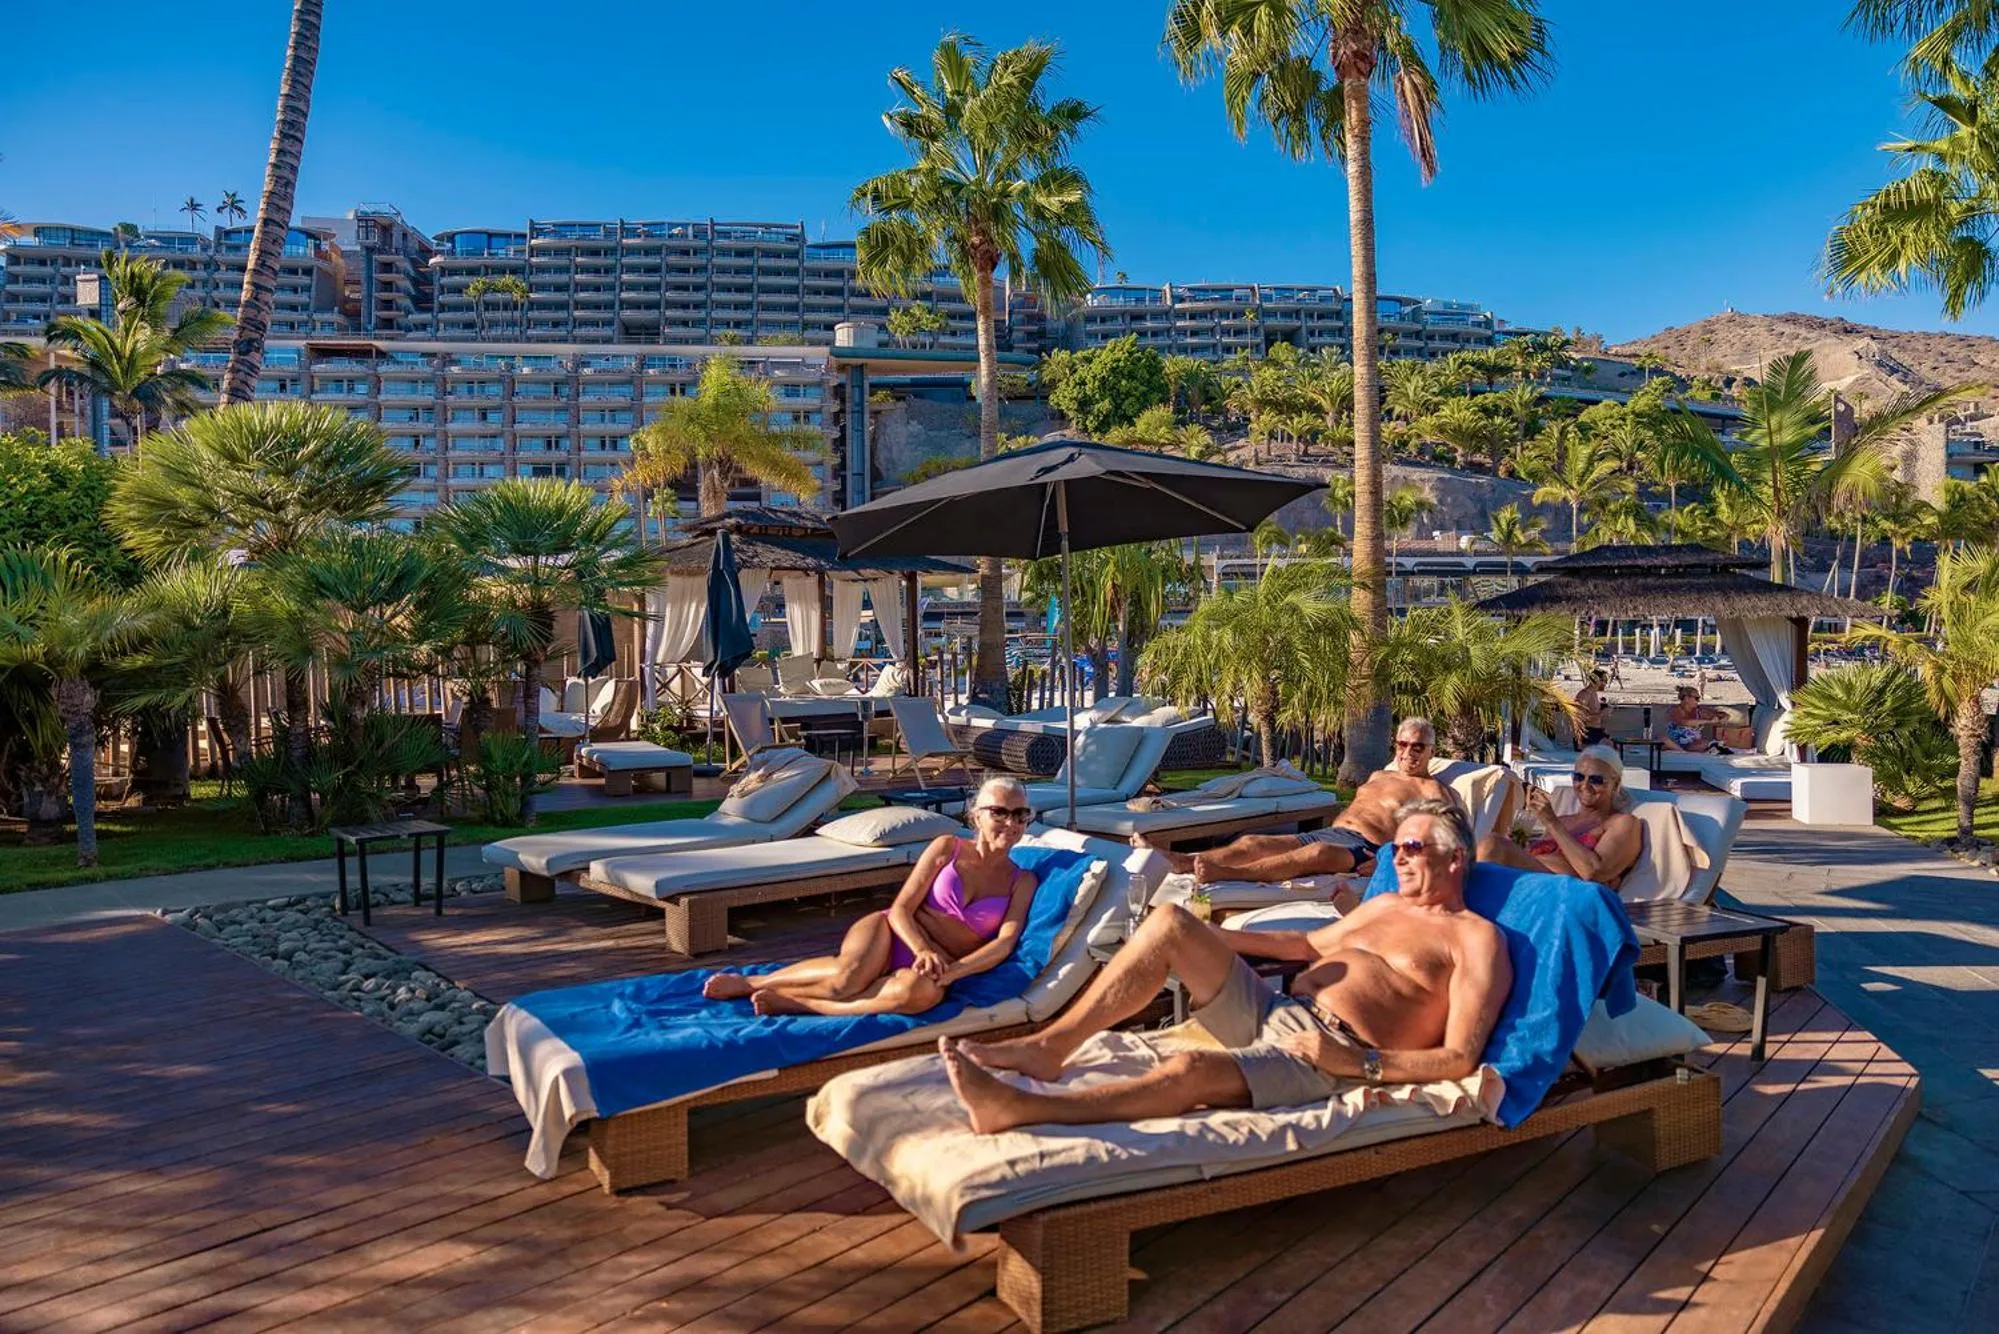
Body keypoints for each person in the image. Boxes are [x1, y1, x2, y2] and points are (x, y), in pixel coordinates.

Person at [940, 798, 1510, 1131]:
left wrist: (1358, 1064)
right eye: (1397, 848)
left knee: (1191, 1071)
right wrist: (1211, 940)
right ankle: (1048, 1048)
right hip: (1282, 1008)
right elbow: (1306, 947)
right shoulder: (1384, 904)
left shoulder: (1476, 941)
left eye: (1413, 849)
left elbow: (1460, 1056)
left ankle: (1025, 1109)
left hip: (1329, 1057)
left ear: (1456, 859)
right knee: (1168, 922)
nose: (1398, 857)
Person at [702, 775, 1040, 1016]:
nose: (1011, 823)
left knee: (917, 995)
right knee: (844, 981)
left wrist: (952, 973)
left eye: (1020, 815)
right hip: (894, 933)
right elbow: (900, 909)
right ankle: (754, 982)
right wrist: (921, 946)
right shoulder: (946, 848)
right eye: (1000, 812)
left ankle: (807, 1004)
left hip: (941, 964)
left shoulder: (1021, 881)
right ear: (976, 815)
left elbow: (1003, 945)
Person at [1135, 718, 1453, 883]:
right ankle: (1182, 861)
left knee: (1316, 853)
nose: (1408, 753)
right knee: (1253, 842)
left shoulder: (1432, 791)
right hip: (1331, 833)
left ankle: (1224, 874)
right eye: (1403, 744)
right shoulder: (1378, 776)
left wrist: (1385, 859)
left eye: (1418, 747)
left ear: (1431, 752)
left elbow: (1437, 841)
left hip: (1364, 848)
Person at [1477, 745, 1642, 888]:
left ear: (1616, 784)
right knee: (1485, 848)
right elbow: (1541, 858)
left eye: (1596, 780)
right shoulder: (1565, 820)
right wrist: (1521, 848)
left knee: (1493, 844)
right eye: (1578, 777)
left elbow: (1593, 872)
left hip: (1565, 894)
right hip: (1531, 882)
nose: (1584, 785)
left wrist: (1551, 822)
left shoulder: (1623, 823)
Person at [1660, 685, 1728, 753]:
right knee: (1663, 739)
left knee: (1704, 743)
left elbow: (1719, 714)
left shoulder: (1699, 711)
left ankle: (1683, 752)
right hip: (1674, 743)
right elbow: (1684, 722)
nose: (1698, 701)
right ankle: (1683, 752)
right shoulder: (1674, 710)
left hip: (1693, 744)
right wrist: (1708, 721)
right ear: (1687, 698)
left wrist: (1723, 717)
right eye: (1696, 698)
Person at [1573, 669, 1609, 747]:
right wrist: (1600, 714)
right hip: (1587, 734)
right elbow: (1579, 717)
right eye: (1603, 680)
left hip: (1595, 731)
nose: (1605, 683)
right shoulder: (1584, 695)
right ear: (1596, 680)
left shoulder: (1594, 694)